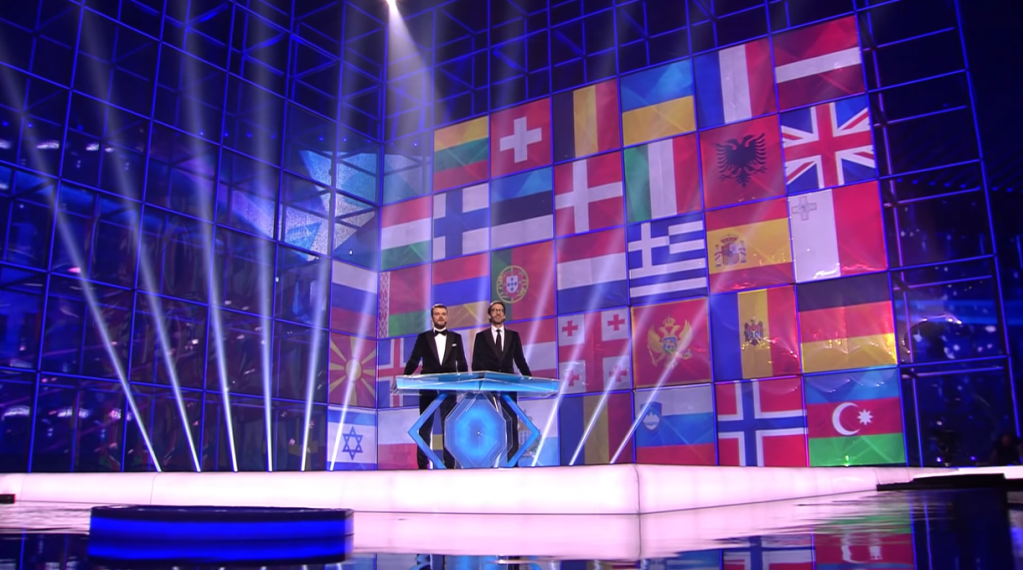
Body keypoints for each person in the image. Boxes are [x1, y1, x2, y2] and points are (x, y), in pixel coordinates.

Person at [404, 304, 468, 469]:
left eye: (443, 314)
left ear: (447, 317)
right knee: (425, 427)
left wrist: (466, 381)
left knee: (449, 425)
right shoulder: (423, 338)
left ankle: (450, 465)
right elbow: (414, 360)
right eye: (437, 314)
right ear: (432, 317)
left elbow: (462, 362)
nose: (440, 316)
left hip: (449, 386)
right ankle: (423, 466)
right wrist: (404, 377)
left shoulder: (456, 338)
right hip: (428, 386)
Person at [471, 301, 531, 466]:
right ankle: (489, 462)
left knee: (511, 422)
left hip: (508, 384)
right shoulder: (481, 337)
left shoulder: (514, 336)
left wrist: (530, 379)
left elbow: (520, 360)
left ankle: (513, 463)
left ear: (504, 315)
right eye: (494, 310)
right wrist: (481, 383)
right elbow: (476, 363)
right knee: (489, 423)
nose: (497, 313)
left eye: (500, 310)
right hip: (488, 386)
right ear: (489, 315)